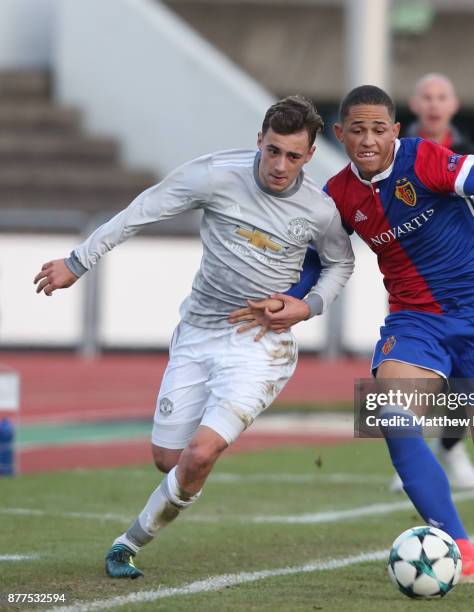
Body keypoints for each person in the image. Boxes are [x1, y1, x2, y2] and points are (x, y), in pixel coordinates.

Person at [229, 85, 474, 585]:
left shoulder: (426, 159)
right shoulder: (339, 196)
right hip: (415, 321)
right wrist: (295, 296)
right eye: (357, 130)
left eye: (378, 129)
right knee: (388, 411)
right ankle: (460, 544)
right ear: (340, 135)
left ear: (395, 131)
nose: (368, 139)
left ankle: (463, 401)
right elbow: (318, 260)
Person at [33, 96, 355, 579]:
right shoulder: (213, 174)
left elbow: (340, 263)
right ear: (259, 141)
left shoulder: (320, 210)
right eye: (272, 151)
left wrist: (307, 306)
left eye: (293, 156)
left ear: (310, 156)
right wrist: (78, 261)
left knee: (200, 452)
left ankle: (128, 543)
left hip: (261, 346)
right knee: (169, 459)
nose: (280, 165)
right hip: (199, 332)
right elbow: (143, 209)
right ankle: (192, 469)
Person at [387, 72, 474, 491]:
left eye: (442, 97)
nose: (434, 104)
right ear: (414, 105)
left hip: (467, 289)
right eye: (426, 97)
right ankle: (413, 453)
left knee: (463, 377)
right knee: (412, 369)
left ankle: (451, 447)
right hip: (412, 284)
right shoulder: (392, 154)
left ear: (452, 105)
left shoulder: (472, 155)